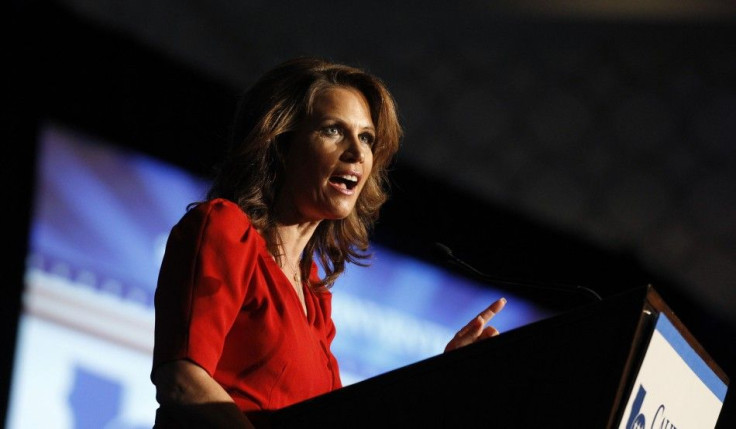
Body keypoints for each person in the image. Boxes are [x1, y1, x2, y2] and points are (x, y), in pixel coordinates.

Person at [150, 56, 507, 428]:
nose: (357, 152)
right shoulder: (223, 228)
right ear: (280, 144)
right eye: (333, 130)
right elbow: (182, 383)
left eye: (366, 137)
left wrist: (437, 382)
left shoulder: (313, 293)